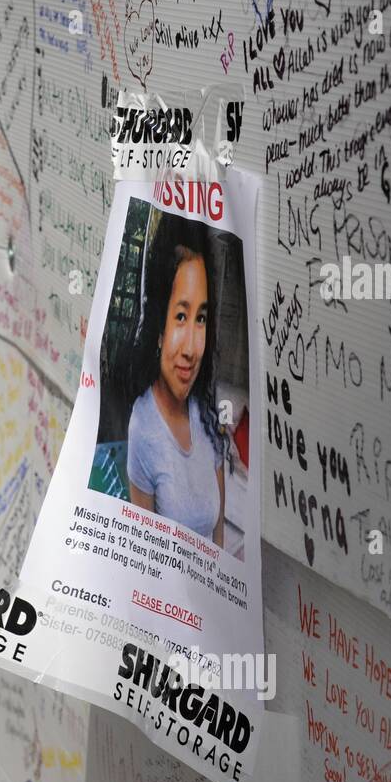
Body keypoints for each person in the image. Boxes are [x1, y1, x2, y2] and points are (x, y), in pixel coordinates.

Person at [126, 215, 226, 546]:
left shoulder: (209, 417)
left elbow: (219, 534)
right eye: (180, 316)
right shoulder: (143, 427)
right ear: (158, 327)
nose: (191, 349)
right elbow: (144, 558)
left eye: (200, 318)